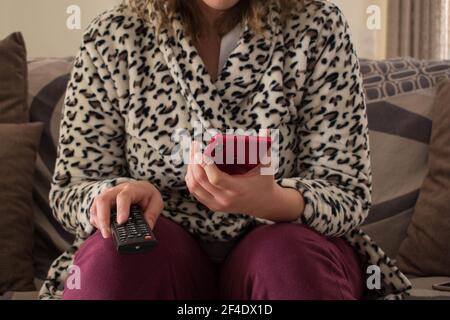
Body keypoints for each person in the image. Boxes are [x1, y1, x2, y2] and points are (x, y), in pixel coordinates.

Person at [39, 0, 411, 300]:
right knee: (112, 264)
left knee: (288, 263)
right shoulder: (113, 35)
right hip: (159, 243)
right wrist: (118, 194)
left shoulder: (318, 26)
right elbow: (73, 188)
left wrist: (274, 200)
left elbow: (347, 194)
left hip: (282, 243)